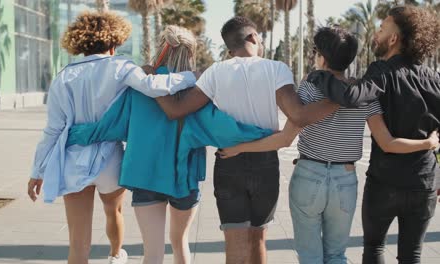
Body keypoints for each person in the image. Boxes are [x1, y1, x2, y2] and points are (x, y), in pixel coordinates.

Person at [218, 25, 439, 264]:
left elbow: (285, 139)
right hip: (345, 180)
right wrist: (427, 142)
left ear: (322, 57)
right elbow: (387, 141)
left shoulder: (310, 87)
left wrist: (240, 148)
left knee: (310, 257)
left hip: (309, 176)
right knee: (336, 255)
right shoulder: (363, 94)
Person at [152, 17, 339, 264]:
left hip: (229, 160)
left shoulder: (215, 71)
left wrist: (152, 80)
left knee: (235, 242)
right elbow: (298, 115)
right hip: (265, 162)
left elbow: (176, 111)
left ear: (230, 50)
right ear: (252, 37)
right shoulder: (276, 68)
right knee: (258, 238)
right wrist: (343, 98)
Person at [27, 12, 198, 264]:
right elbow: (153, 86)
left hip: (72, 159)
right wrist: (191, 76)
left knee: (77, 242)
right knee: (113, 212)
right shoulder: (121, 66)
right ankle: (116, 255)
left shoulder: (63, 76)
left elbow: (53, 130)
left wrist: (37, 171)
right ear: (115, 40)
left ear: (80, 42)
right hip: (110, 158)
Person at [306, 6, 440, 264]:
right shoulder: (433, 79)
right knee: (412, 255)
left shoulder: (383, 71)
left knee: (375, 248)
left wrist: (319, 74)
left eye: (381, 29)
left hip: (385, 182)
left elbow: (350, 96)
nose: (375, 34)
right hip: (423, 183)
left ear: (393, 39)